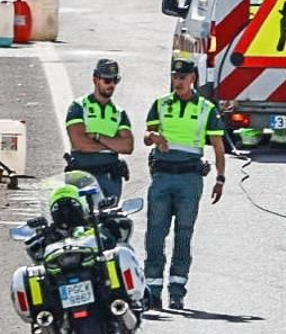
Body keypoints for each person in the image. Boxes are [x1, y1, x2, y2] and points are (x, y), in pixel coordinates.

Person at [142, 58, 227, 311]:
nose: (178, 82)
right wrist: (153, 137)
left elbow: (219, 147)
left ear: (193, 79)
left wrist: (220, 178)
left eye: (183, 77)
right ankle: (152, 290)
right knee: (155, 234)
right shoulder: (160, 105)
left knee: (184, 234)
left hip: (190, 179)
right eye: (175, 77)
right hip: (162, 176)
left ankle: (177, 291)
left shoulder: (206, 109)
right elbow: (147, 136)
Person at [64, 59, 134, 203]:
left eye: (115, 80)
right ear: (95, 79)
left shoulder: (119, 113)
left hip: (110, 178)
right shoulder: (78, 107)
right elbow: (79, 143)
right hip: (83, 175)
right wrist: (113, 145)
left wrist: (97, 136)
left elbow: (127, 146)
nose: (112, 85)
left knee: (110, 221)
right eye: (107, 80)